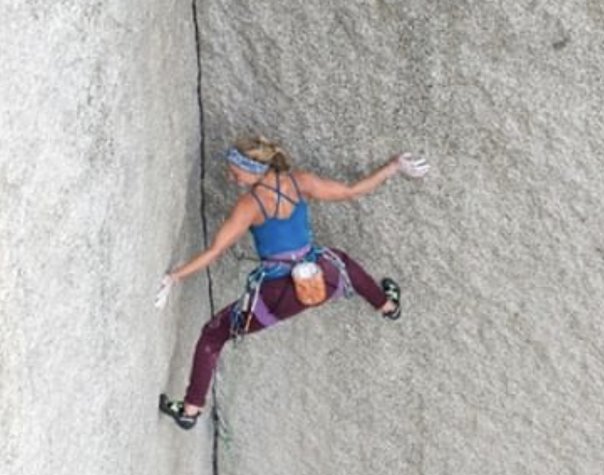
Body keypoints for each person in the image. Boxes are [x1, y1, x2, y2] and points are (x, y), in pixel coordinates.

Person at [155, 138, 430, 429]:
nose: (232, 178)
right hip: (319, 277)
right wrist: (394, 167)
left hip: (276, 297)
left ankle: (190, 410)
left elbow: (215, 251)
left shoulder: (250, 205)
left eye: (236, 172)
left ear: (255, 169)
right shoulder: (300, 182)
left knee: (213, 335)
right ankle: (388, 306)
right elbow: (351, 191)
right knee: (341, 262)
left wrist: (174, 277)